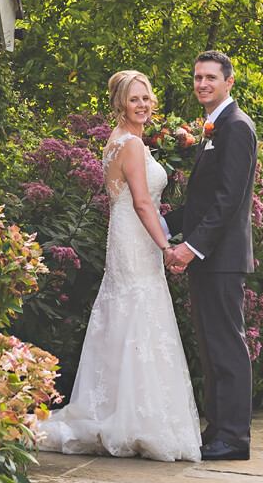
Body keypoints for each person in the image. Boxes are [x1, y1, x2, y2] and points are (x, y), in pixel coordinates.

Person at [37, 70, 201, 462]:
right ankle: (134, 420)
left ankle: (123, 409)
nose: (142, 105)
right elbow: (143, 203)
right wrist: (166, 246)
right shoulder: (128, 145)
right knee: (139, 315)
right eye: (134, 99)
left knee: (128, 316)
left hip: (128, 238)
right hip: (136, 239)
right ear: (120, 104)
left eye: (146, 98)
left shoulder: (123, 142)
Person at [163, 51, 258, 461]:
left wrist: (190, 246)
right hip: (208, 258)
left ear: (228, 81)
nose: (202, 84)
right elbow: (202, 201)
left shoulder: (236, 127)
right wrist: (162, 226)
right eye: (198, 77)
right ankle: (218, 429)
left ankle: (235, 438)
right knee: (211, 346)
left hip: (220, 257)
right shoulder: (213, 127)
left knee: (227, 347)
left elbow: (227, 201)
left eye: (210, 78)